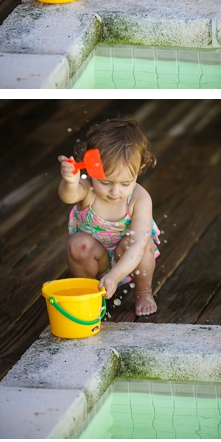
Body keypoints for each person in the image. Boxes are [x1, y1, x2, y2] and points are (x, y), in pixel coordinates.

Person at [58, 117, 160, 317]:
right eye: (105, 182)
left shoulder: (139, 198)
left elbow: (138, 245)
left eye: (125, 183)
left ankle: (143, 291)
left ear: (139, 170)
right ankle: (87, 291)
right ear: (90, 169)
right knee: (78, 244)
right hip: (97, 257)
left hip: (129, 256)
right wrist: (70, 182)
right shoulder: (88, 190)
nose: (115, 191)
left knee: (144, 244)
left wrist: (115, 276)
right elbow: (67, 197)